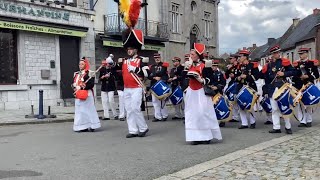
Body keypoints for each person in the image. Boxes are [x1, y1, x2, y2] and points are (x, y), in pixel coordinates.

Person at [184, 43, 222, 145]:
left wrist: (201, 80)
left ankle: (206, 136)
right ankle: (195, 137)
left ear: (198, 55)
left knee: (203, 113)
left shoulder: (205, 64)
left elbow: (210, 78)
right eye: (190, 54)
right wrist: (186, 68)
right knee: (192, 114)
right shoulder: (188, 64)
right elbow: (183, 77)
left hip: (201, 91)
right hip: (192, 91)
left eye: (192, 54)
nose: (190, 56)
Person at [261, 45, 297, 134]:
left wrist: (283, 73)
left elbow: (293, 72)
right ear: (272, 54)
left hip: (282, 87)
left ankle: (288, 127)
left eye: (277, 52)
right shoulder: (269, 65)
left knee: (285, 107)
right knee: (274, 108)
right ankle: (276, 127)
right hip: (272, 88)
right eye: (274, 53)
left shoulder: (284, 62)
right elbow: (266, 78)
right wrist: (265, 89)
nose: (276, 54)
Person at [122, 29, 150, 138]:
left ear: (136, 50)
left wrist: (136, 69)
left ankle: (143, 128)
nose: (129, 51)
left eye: (131, 49)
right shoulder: (124, 61)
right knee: (128, 110)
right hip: (126, 88)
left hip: (137, 87)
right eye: (128, 49)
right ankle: (133, 130)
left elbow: (147, 73)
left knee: (135, 108)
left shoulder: (141, 60)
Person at [72, 57, 101, 132]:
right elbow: (74, 83)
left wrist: (82, 86)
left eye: (82, 64)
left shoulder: (90, 73)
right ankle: (83, 126)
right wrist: (74, 86)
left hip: (87, 94)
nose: (80, 65)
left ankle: (92, 125)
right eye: (79, 64)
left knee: (89, 110)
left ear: (85, 65)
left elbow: (91, 85)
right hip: (78, 94)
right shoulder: (76, 74)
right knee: (80, 111)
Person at [292, 48, 319, 127]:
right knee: (301, 104)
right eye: (300, 54)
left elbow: (316, 75)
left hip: (309, 85)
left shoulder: (311, 63)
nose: (301, 56)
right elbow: (294, 75)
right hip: (300, 86)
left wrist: (308, 76)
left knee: (309, 104)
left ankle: (309, 120)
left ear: (306, 54)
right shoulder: (297, 64)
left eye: (302, 54)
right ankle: (302, 121)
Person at [236, 50, 259, 129]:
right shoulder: (239, 66)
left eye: (241, 56)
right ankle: (244, 123)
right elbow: (236, 77)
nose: (239, 58)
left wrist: (247, 77)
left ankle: (253, 122)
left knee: (250, 105)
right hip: (241, 87)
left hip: (250, 87)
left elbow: (256, 76)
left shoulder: (253, 65)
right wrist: (238, 78)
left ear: (245, 57)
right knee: (241, 105)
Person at [149, 53, 170, 122]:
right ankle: (158, 116)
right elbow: (149, 76)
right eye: (155, 58)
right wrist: (154, 77)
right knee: (155, 101)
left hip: (161, 85)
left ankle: (164, 115)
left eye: (158, 57)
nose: (157, 59)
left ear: (160, 57)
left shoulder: (164, 65)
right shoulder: (151, 66)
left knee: (162, 101)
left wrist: (160, 78)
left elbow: (164, 74)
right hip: (154, 86)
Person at [99, 55, 118, 120]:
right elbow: (100, 78)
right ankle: (106, 115)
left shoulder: (112, 69)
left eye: (110, 64)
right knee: (104, 101)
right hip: (104, 86)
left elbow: (115, 77)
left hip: (111, 86)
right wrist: (103, 77)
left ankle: (115, 114)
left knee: (111, 101)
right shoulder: (102, 69)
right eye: (108, 64)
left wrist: (110, 76)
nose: (109, 65)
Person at [210, 59, 227, 127]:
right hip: (210, 92)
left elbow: (223, 83)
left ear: (217, 66)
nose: (213, 67)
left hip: (218, 92)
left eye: (214, 66)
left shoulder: (220, 74)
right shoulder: (209, 74)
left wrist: (217, 87)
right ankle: (213, 121)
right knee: (211, 107)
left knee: (220, 106)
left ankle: (222, 120)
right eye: (212, 66)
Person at [224, 54, 241, 122]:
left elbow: (241, 74)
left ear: (235, 59)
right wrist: (228, 69)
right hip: (232, 84)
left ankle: (237, 115)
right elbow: (226, 76)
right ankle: (235, 116)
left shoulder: (239, 66)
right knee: (232, 101)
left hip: (237, 84)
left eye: (231, 58)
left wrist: (234, 76)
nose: (230, 60)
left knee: (237, 100)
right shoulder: (231, 67)